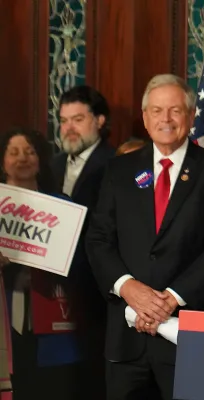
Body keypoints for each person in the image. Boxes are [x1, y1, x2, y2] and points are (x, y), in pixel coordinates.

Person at [86, 73, 204, 400]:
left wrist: (169, 299)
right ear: (145, 119)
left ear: (190, 116)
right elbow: (99, 240)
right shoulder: (118, 171)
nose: (166, 119)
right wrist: (129, 289)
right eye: (157, 111)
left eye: (175, 110)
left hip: (188, 333)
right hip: (127, 337)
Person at [0, 127, 82, 399]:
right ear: (3, 162)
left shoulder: (62, 207)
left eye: (30, 151)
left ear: (40, 160)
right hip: (6, 319)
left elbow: (81, 263)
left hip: (52, 319)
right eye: (14, 152)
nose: (22, 158)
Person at [51, 84, 116, 398]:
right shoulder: (50, 165)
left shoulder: (118, 164)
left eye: (77, 119)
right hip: (50, 297)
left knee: (92, 379)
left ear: (100, 121)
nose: (69, 128)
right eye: (64, 121)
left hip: (96, 293)